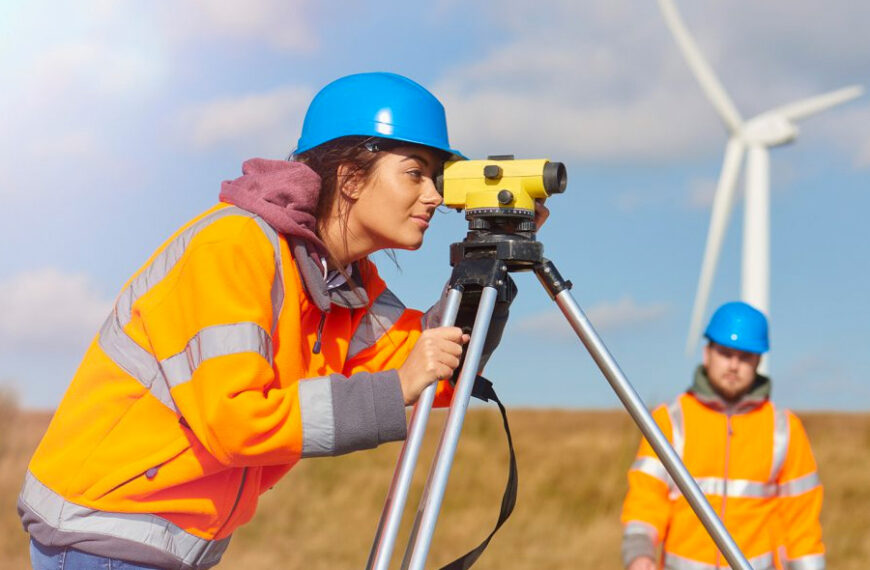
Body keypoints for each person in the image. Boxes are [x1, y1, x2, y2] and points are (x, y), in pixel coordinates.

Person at [18, 72, 544, 569]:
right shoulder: (234, 247)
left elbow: (434, 371)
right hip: (106, 533)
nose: (433, 196)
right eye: (415, 173)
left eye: (437, 179)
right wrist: (396, 388)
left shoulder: (340, 283)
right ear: (351, 177)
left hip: (173, 543)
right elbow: (236, 421)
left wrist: (488, 265)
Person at [620, 301, 825, 570]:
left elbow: (802, 523)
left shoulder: (785, 428)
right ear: (707, 353)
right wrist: (640, 554)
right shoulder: (669, 420)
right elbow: (646, 499)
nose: (733, 365)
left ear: (758, 361)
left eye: (745, 357)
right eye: (725, 353)